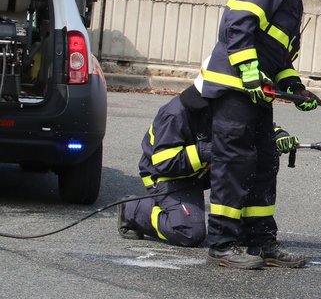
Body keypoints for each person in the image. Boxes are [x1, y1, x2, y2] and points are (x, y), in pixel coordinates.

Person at [198, 0, 321, 269]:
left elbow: (276, 55)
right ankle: (222, 244)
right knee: (233, 165)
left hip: (257, 93)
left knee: (264, 162)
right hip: (235, 88)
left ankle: (260, 241)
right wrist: (248, 69)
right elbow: (236, 24)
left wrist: (296, 89)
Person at [118, 83, 299, 247]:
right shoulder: (175, 114)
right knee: (189, 233)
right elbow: (165, 163)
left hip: (204, 169)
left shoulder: (229, 106)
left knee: (255, 160)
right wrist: (212, 150)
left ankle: (247, 229)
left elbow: (255, 128)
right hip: (167, 175)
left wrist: (277, 136)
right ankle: (133, 210)